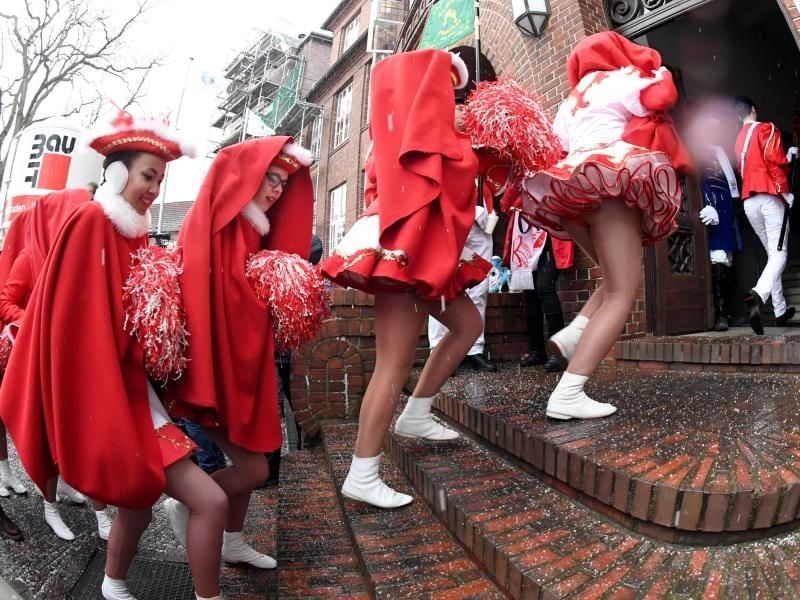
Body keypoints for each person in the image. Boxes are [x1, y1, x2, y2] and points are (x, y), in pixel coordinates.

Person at [0, 111, 228, 600]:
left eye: (160, 180)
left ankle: (112, 582)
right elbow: (80, 326)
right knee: (206, 500)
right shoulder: (89, 221)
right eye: (149, 175)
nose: (154, 189)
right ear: (118, 172)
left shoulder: (131, 232)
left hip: (133, 392)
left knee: (138, 504)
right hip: (113, 397)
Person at [321, 48, 491, 508]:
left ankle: (415, 413)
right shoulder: (433, 134)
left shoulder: (391, 133)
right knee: (392, 365)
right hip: (407, 245)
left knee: (468, 326)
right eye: (447, 90)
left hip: (415, 242)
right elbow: (458, 171)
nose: (455, 101)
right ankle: (363, 471)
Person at [520, 31, 690, 420]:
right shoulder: (620, 77)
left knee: (613, 279)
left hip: (571, 192)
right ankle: (568, 393)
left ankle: (576, 331)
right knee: (622, 293)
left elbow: (557, 145)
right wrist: (657, 70)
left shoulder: (570, 100)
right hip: (611, 181)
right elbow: (660, 98)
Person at [165, 136, 314, 570]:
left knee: (256, 454)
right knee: (255, 468)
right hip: (222, 368)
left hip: (242, 366)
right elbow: (227, 299)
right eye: (270, 178)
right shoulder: (222, 226)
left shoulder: (248, 230)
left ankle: (232, 540)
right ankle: (190, 505)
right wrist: (269, 291)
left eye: (283, 183)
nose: (276, 190)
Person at [0, 190, 113, 541]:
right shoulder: (29, 257)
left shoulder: (92, 255)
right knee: (45, 435)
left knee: (84, 435)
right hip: (38, 360)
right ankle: (49, 506)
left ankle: (99, 511)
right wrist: (36, 323)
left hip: (79, 361)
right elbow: (4, 300)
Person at [734, 96, 797, 333]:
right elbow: (774, 159)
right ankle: (758, 295)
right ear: (752, 109)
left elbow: (747, 169)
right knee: (780, 255)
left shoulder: (738, 141)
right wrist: (784, 189)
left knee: (772, 255)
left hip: (750, 202)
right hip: (770, 198)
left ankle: (780, 311)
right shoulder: (766, 128)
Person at [691, 115, 743, 331]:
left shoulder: (721, 151)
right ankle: (718, 314)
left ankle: (727, 313)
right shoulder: (698, 150)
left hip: (727, 210)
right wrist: (707, 203)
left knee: (728, 260)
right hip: (711, 210)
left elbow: (730, 185)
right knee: (717, 258)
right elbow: (698, 181)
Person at [504, 207, 573, 370]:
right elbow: (507, 203)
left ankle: (558, 352)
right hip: (527, 230)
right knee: (530, 293)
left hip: (547, 225)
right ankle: (537, 351)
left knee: (545, 287)